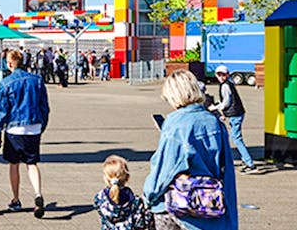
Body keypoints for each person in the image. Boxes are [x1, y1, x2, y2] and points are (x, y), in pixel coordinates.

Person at [143, 70, 237, 229]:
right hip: (209, 205)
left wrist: (148, 196)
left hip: (176, 207)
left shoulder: (176, 123)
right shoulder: (215, 122)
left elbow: (165, 169)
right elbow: (226, 171)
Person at [0, 50, 50, 219]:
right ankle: (37, 193)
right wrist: (42, 125)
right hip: (33, 126)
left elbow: (2, 110)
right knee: (32, 164)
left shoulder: (5, 83)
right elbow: (45, 107)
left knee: (14, 164)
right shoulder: (37, 80)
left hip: (14, 128)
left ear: (10, 63)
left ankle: (16, 199)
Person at [208, 65, 257, 174]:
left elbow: (226, 103)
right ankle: (246, 161)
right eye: (219, 74)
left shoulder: (225, 86)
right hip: (237, 113)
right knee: (236, 138)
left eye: (223, 74)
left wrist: (215, 108)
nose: (221, 77)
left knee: (237, 139)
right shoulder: (229, 83)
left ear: (227, 75)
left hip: (235, 114)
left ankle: (250, 164)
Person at [93, 155, 154, 230]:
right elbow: (140, 224)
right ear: (127, 177)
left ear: (106, 178)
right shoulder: (135, 202)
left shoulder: (99, 198)